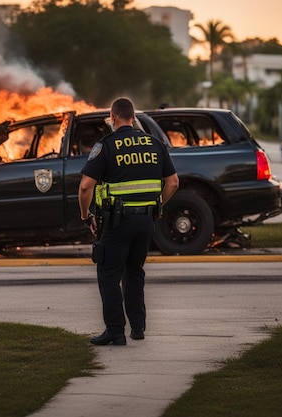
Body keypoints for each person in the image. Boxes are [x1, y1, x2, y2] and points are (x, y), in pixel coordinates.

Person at [78, 97, 179, 345]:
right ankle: (138, 327)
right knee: (134, 272)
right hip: (146, 222)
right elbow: (173, 182)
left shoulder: (107, 145)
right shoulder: (154, 144)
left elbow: (84, 187)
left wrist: (85, 215)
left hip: (117, 223)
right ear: (133, 117)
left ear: (112, 118)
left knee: (109, 274)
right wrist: (156, 206)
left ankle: (115, 331)